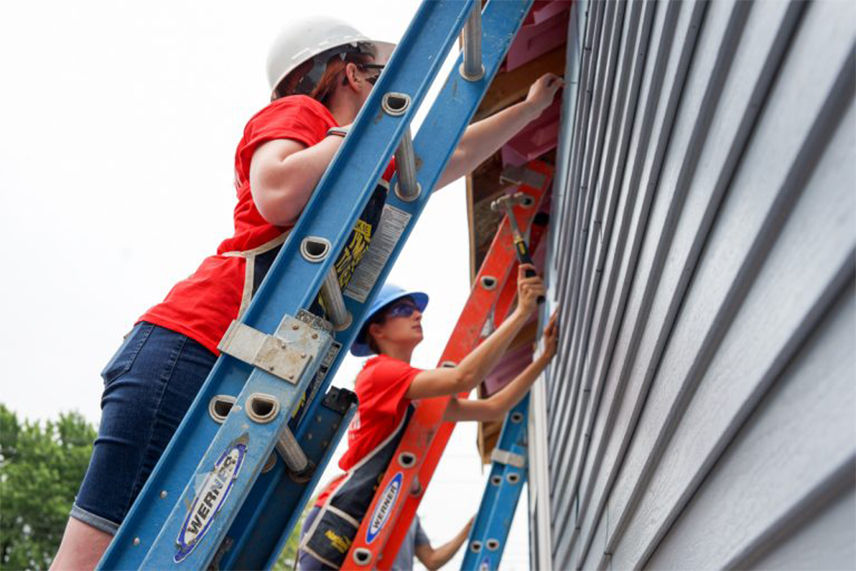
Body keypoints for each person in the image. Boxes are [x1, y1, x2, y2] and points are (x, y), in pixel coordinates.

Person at [50, 15, 562, 570]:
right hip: (190, 345)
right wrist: (366, 128)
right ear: (351, 74)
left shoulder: (361, 163)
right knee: (96, 557)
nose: (392, 90)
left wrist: (530, 109)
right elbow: (276, 190)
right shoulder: (304, 115)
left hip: (235, 357)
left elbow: (451, 154)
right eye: (382, 76)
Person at [298, 273, 559, 569]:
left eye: (415, 309)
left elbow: (493, 407)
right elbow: (464, 377)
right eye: (402, 310)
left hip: (364, 516)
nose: (417, 314)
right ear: (377, 330)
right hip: (342, 516)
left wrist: (544, 358)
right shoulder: (379, 373)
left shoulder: (410, 393)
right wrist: (523, 311)